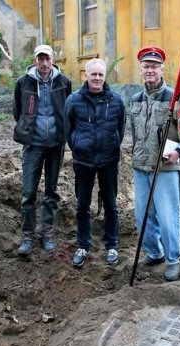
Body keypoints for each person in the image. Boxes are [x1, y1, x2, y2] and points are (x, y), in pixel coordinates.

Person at [129, 46, 180, 281]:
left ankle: (173, 260)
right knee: (142, 217)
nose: (150, 70)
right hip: (140, 166)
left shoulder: (175, 98)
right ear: (141, 70)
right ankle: (155, 253)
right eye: (146, 66)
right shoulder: (135, 99)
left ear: (163, 69)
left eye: (155, 66)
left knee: (167, 216)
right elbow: (134, 133)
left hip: (165, 168)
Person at [64, 58, 126, 268]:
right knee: (82, 205)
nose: (97, 78)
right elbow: (68, 129)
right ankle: (83, 245)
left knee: (111, 204)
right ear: (86, 75)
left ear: (104, 76)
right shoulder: (74, 100)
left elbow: (121, 126)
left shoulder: (116, 100)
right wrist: (78, 146)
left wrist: (112, 145)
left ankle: (112, 245)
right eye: (94, 74)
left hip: (109, 160)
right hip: (83, 161)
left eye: (101, 74)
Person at [13, 44, 72, 255]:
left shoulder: (64, 83)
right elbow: (18, 112)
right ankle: (27, 238)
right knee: (28, 193)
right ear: (35, 60)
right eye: (41, 59)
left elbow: (68, 110)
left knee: (51, 192)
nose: (44, 63)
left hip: (56, 145)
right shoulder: (23, 83)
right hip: (33, 146)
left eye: (47, 59)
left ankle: (46, 235)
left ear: (53, 60)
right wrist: (28, 131)